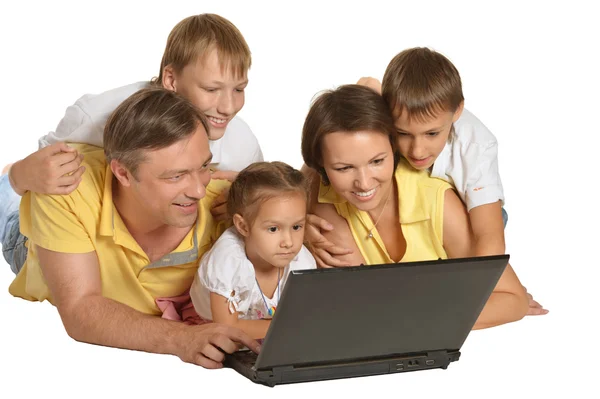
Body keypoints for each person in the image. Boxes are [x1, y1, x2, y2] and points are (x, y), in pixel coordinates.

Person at [7, 87, 260, 368]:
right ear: (123, 173)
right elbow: (80, 309)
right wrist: (183, 338)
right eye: (176, 176)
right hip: (30, 251)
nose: (200, 191)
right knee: (8, 204)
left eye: (204, 167)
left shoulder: (225, 205)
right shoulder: (64, 188)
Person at [1, 13, 261, 273]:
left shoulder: (240, 142)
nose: (228, 107)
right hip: (37, 240)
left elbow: (264, 205)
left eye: (239, 89)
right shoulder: (96, 117)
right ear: (171, 79)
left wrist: (245, 201)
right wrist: (19, 176)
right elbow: (45, 173)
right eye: (211, 89)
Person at [301, 84, 529, 329]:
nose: (364, 182)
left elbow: (513, 299)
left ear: (394, 146)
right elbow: (363, 302)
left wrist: (421, 317)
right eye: (344, 168)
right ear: (322, 166)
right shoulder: (327, 202)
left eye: (377, 161)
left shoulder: (435, 199)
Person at [190, 162, 317, 339]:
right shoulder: (228, 262)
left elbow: (302, 316)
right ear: (243, 226)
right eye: (273, 229)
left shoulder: (301, 261)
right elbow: (227, 327)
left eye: (296, 227)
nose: (288, 242)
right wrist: (289, 329)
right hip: (210, 322)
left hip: (265, 328)